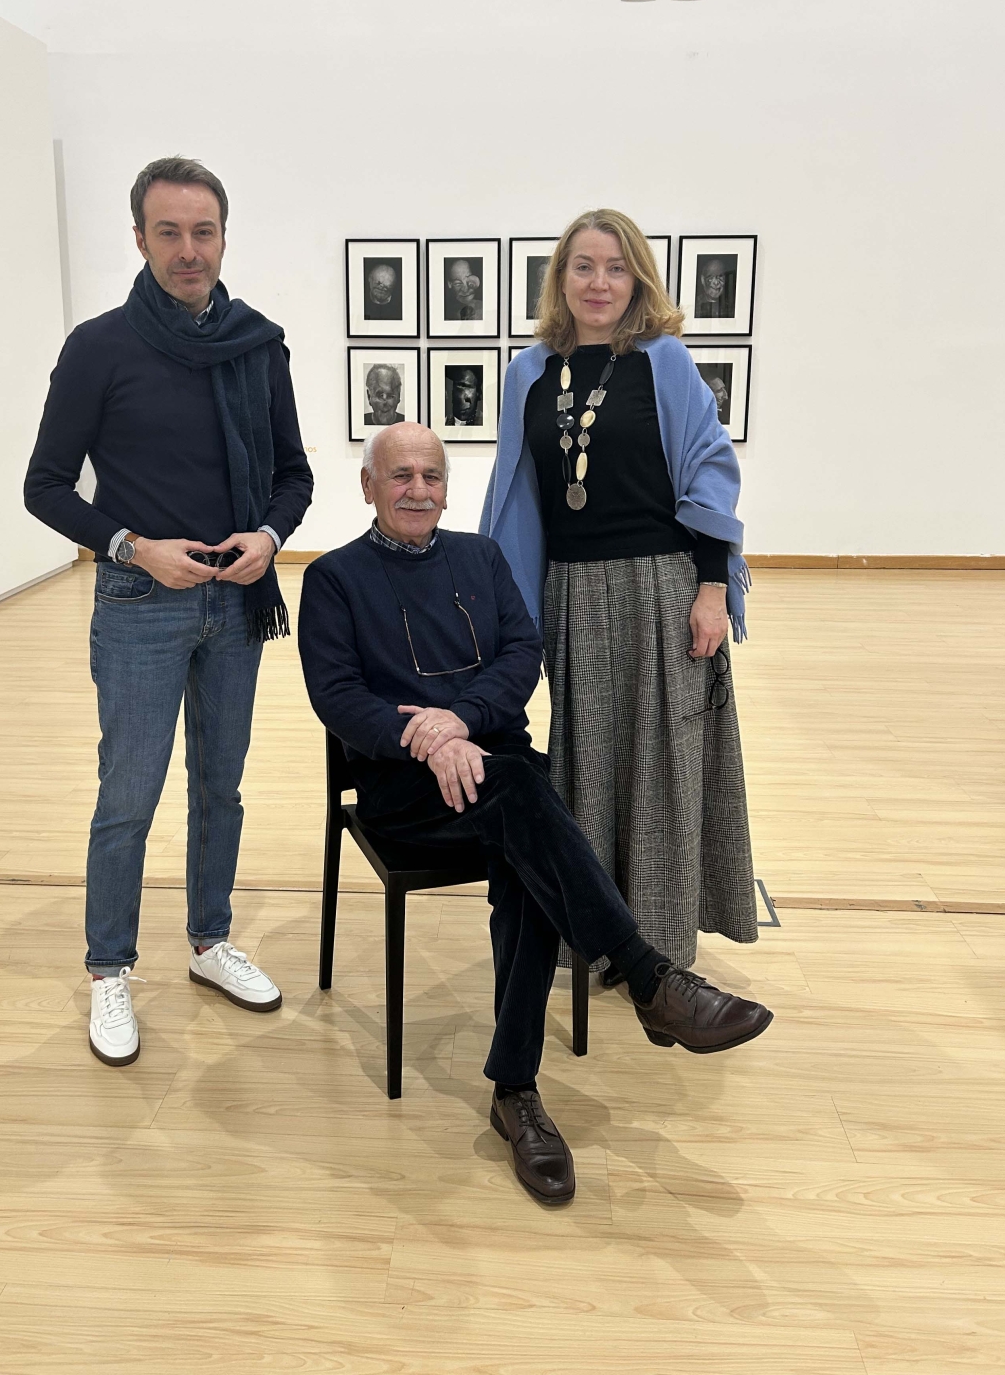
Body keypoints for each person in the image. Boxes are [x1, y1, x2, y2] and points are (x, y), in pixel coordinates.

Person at [298, 422, 771, 1206]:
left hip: (498, 771)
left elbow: (524, 654)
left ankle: (516, 1090)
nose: (418, 490)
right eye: (401, 476)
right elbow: (338, 696)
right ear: (369, 486)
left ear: (447, 487)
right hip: (404, 792)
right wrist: (427, 741)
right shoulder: (333, 578)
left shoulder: (480, 558)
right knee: (528, 798)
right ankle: (647, 978)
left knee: (525, 831)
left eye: (431, 476)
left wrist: (461, 721)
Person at [24, 155, 313, 1067]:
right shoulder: (99, 347)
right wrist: (132, 546)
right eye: (169, 232)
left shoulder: (258, 345)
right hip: (140, 602)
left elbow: (294, 474)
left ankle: (208, 940)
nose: (189, 250)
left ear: (224, 236)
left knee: (220, 786)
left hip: (236, 603)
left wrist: (269, 534)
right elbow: (45, 486)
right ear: (140, 238)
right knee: (128, 796)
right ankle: (110, 968)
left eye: (204, 231)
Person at [481, 209, 758, 976]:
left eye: (615, 267)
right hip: (570, 593)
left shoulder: (663, 361)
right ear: (561, 278)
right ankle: (598, 937)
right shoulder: (529, 372)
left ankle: (661, 952)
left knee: (664, 765)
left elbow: (708, 471)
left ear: (637, 279)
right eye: (584, 266)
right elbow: (515, 494)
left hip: (661, 587)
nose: (598, 282)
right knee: (588, 768)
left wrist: (712, 586)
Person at [364, 362, 405, 426]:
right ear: (369, 397)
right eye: (380, 396)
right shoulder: (360, 422)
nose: (385, 402)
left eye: (390, 396)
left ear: (398, 396)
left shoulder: (406, 423)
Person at [695, 254, 735, 318]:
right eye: (710, 277)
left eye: (720, 277)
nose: (716, 282)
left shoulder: (731, 306)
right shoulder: (695, 305)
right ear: (703, 280)